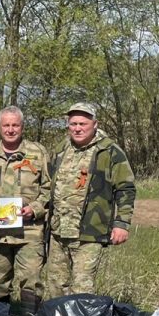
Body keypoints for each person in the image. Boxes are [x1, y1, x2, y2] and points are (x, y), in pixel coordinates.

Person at [0, 106, 51, 316]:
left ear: (22, 127)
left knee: (31, 282)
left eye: (15, 125)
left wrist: (34, 209)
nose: (11, 129)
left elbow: (50, 189)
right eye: (6, 125)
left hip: (29, 232)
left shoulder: (37, 153)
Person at [47, 102, 135, 296]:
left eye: (83, 124)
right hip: (58, 230)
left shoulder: (109, 151)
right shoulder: (61, 149)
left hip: (89, 231)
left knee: (82, 287)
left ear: (95, 124)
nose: (77, 128)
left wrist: (121, 223)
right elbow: (47, 184)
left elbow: (126, 188)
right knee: (56, 285)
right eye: (73, 124)